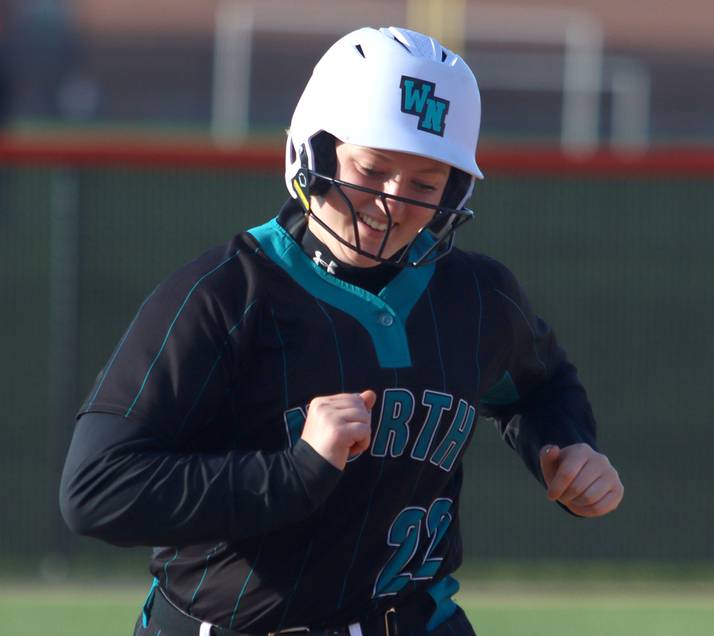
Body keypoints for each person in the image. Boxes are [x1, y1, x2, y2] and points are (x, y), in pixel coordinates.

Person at [60, 26, 623, 636]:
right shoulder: (226, 295)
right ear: (314, 150)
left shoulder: (477, 296)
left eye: (425, 184)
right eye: (373, 168)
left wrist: (568, 448)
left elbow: (540, 387)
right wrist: (296, 471)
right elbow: (96, 489)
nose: (393, 202)